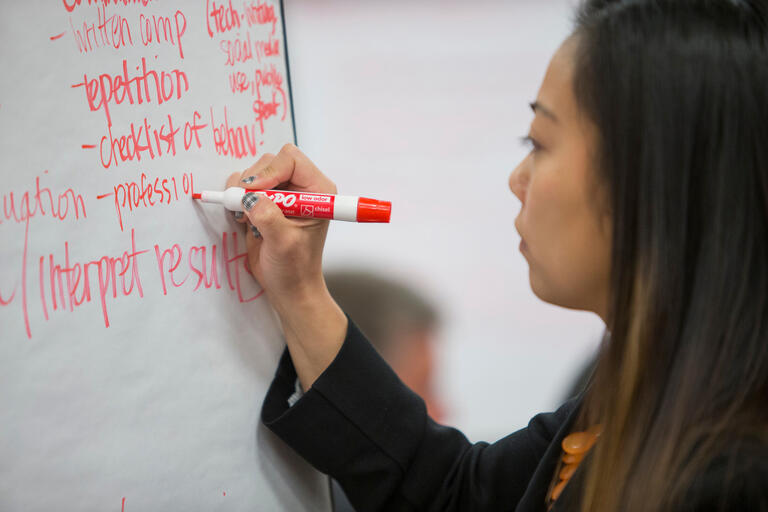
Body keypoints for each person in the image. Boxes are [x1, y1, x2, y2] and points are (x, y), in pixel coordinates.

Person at [228, 0, 768, 510]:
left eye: (540, 143)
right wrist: (299, 289)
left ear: (651, 179)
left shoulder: (729, 480)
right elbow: (450, 492)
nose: (517, 179)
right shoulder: (646, 386)